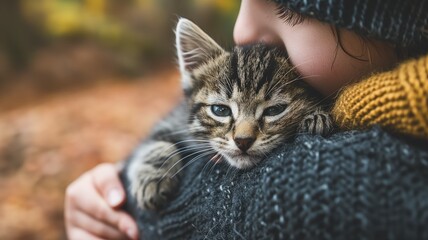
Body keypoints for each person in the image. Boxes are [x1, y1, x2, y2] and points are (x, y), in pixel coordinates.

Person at [65, 0, 428, 239]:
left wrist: (125, 198)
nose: (242, 135)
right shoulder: (350, 100)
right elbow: (179, 127)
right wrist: (139, 166)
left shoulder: (370, 175)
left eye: (288, 9)